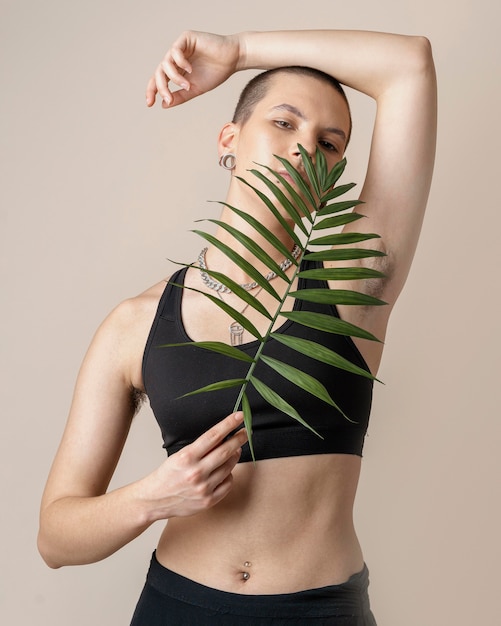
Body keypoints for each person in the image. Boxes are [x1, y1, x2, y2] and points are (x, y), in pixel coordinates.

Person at [38, 29, 437, 625]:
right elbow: (56, 537)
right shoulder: (135, 324)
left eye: (329, 144)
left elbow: (410, 64)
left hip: (321, 613)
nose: (305, 148)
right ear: (230, 140)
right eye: (283, 122)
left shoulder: (357, 282)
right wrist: (152, 497)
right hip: (179, 606)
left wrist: (239, 52)